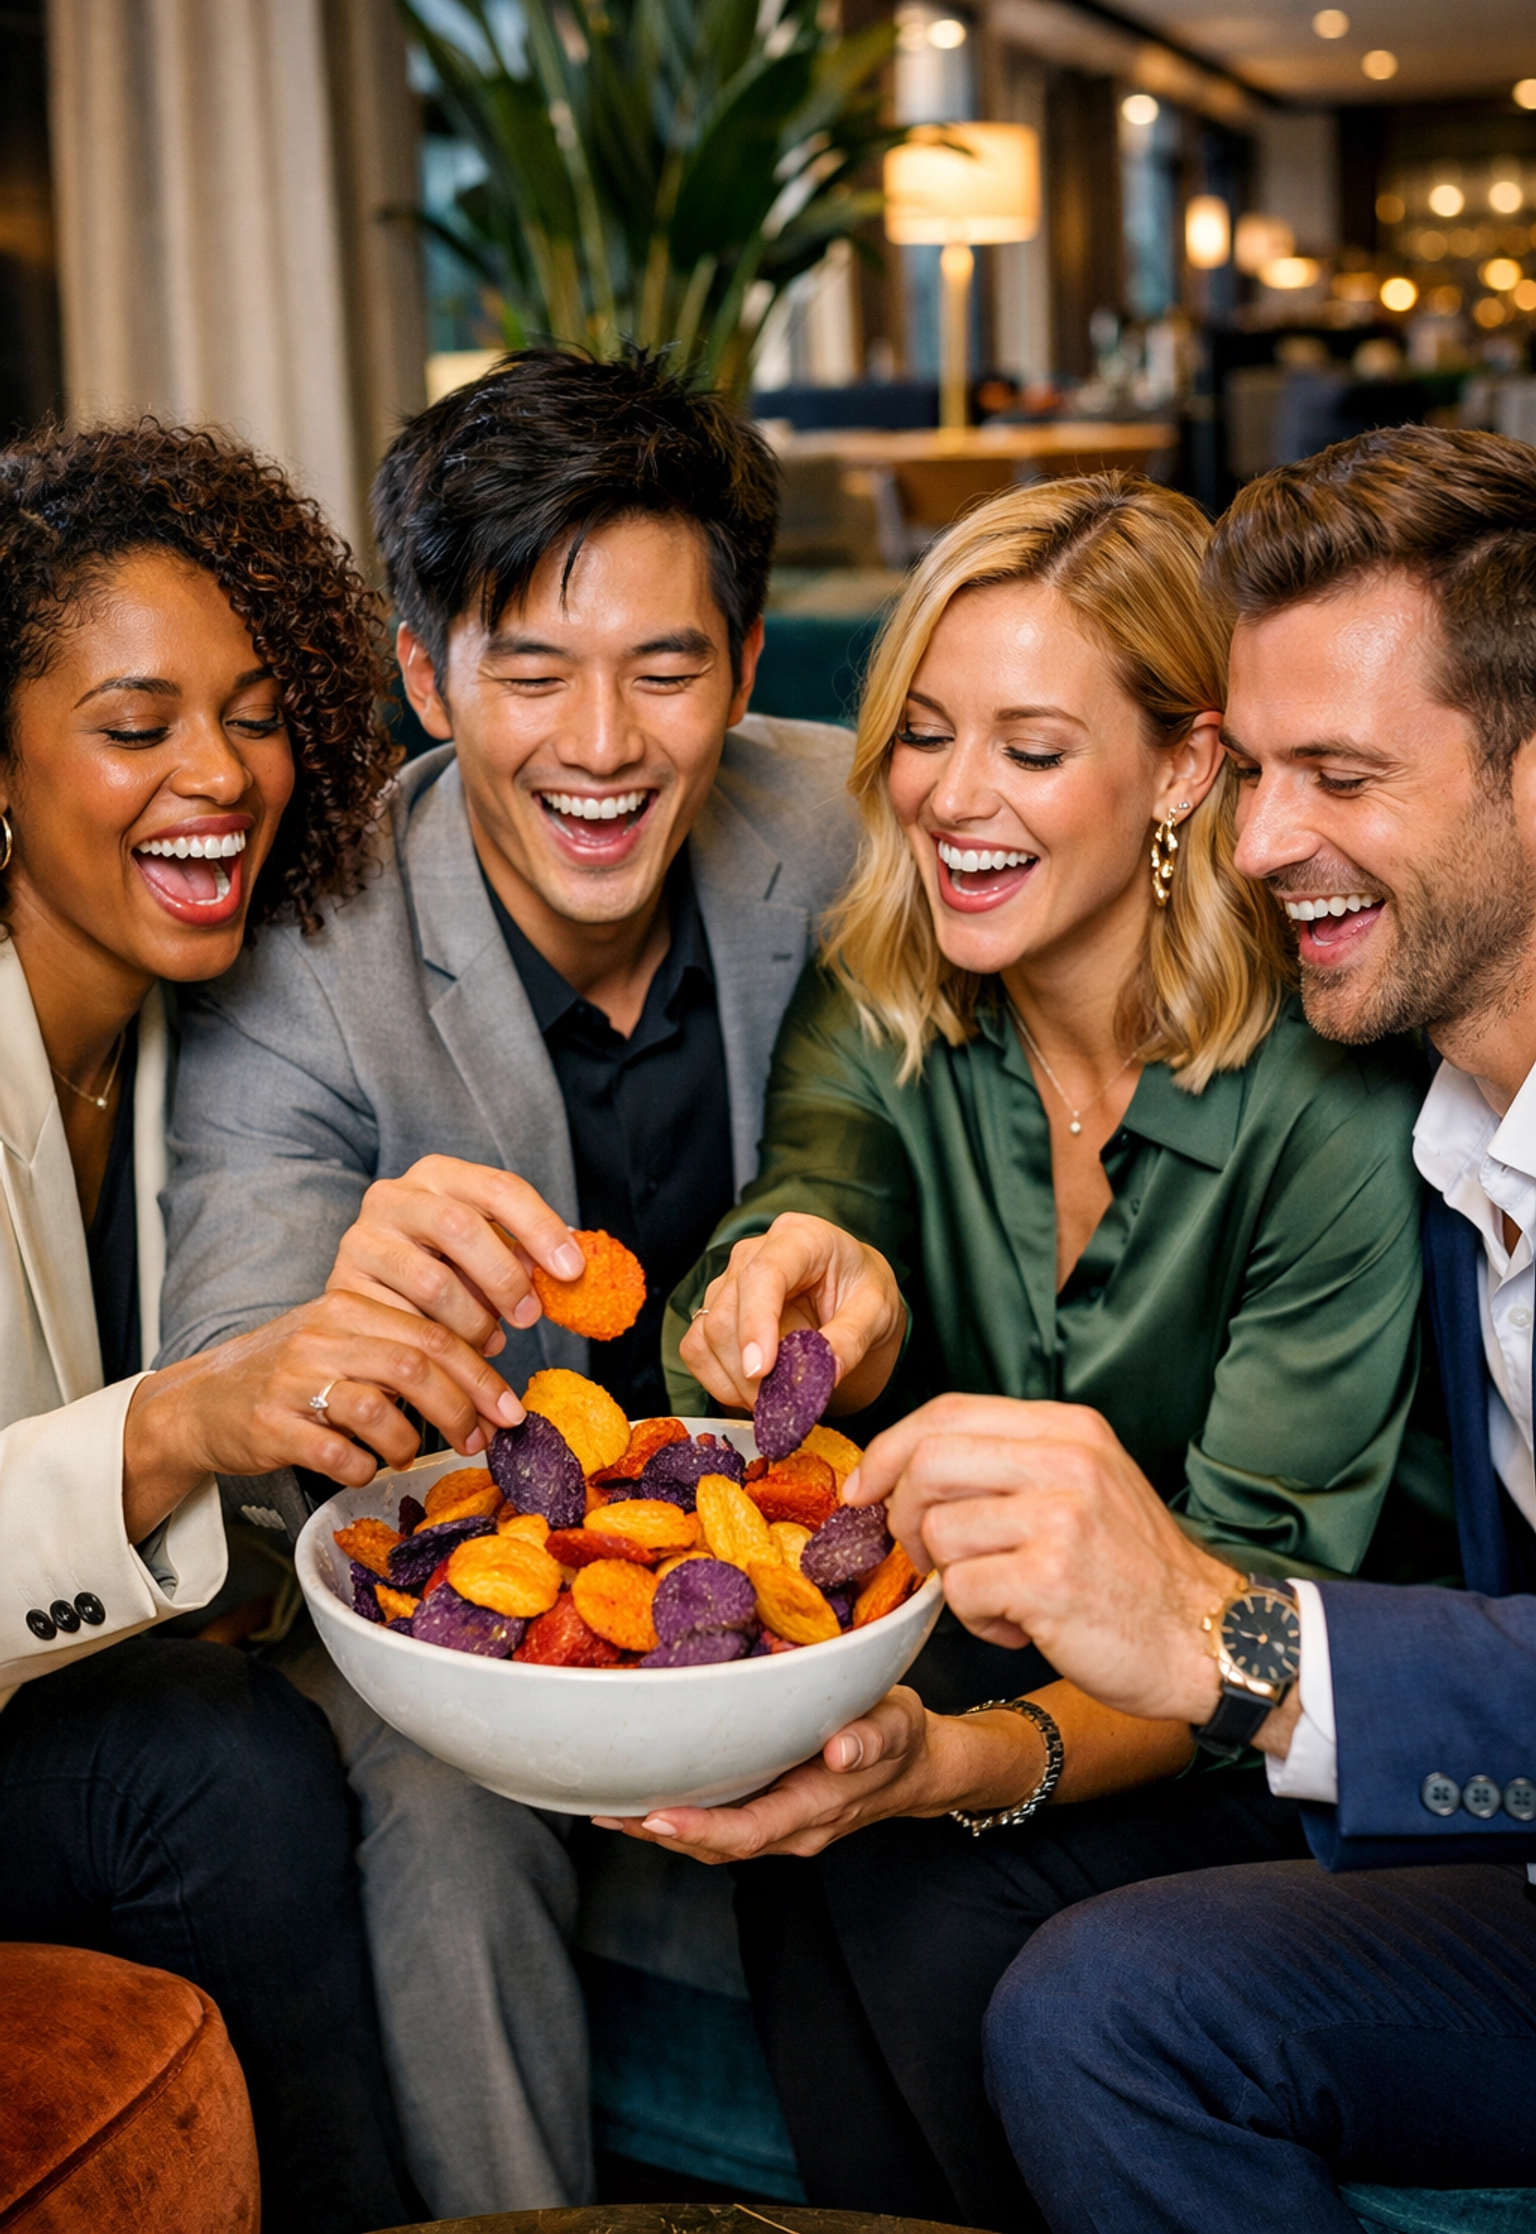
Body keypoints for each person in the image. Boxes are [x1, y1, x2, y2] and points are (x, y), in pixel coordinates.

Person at [640, 473, 1440, 2231]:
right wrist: (797, 1281)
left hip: (1301, 1719)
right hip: (1015, 1652)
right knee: (814, 1840)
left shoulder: (1331, 1095)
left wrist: (959, 1765)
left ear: (1182, 769)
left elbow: (1251, 1601)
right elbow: (807, 1196)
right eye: (924, 734)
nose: (951, 798)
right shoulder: (893, 987)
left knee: (911, 1879)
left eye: (1030, 744)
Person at [157, 346, 857, 2216]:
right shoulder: (302, 959)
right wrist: (336, 1347)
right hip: (476, 1634)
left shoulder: (852, 833)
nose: (602, 745)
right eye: (530, 671)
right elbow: (231, 1457)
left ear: (752, 662)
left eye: (666, 668)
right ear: (420, 675)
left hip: (815, 1567)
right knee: (442, 1825)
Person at [849, 426, 1536, 2231]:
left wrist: (1226, 1631)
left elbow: (1274, 1570)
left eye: (1342, 775)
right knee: (1084, 1994)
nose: (1261, 840)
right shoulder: (1453, 1117)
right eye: (1253, 770)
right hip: (1486, 1847)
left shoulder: (1344, 1104)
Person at [0, 417, 539, 2232]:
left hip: (89, 1687)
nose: (217, 777)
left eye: (253, 711)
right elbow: (171, 1443)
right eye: (135, 727)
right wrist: (186, 1417)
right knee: (213, 1767)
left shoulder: (191, 1021)